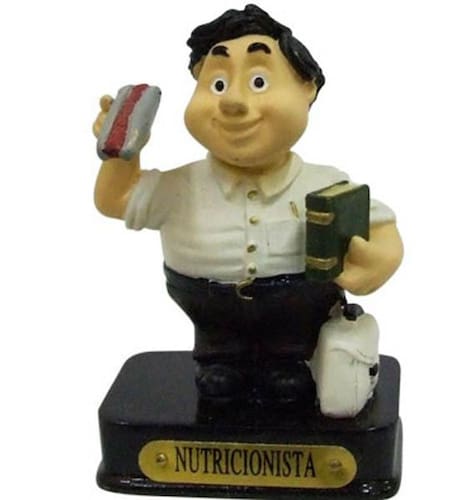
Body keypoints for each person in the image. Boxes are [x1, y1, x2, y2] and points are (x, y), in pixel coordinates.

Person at [92, 4, 403, 405]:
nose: (233, 103)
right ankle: (219, 360)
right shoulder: (180, 186)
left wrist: (378, 260)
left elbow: (379, 226)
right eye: (217, 84)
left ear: (307, 88)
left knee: (289, 365)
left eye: (259, 81)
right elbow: (115, 200)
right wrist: (121, 153)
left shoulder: (325, 183)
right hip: (208, 304)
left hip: (295, 305)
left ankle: (288, 362)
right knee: (219, 360)